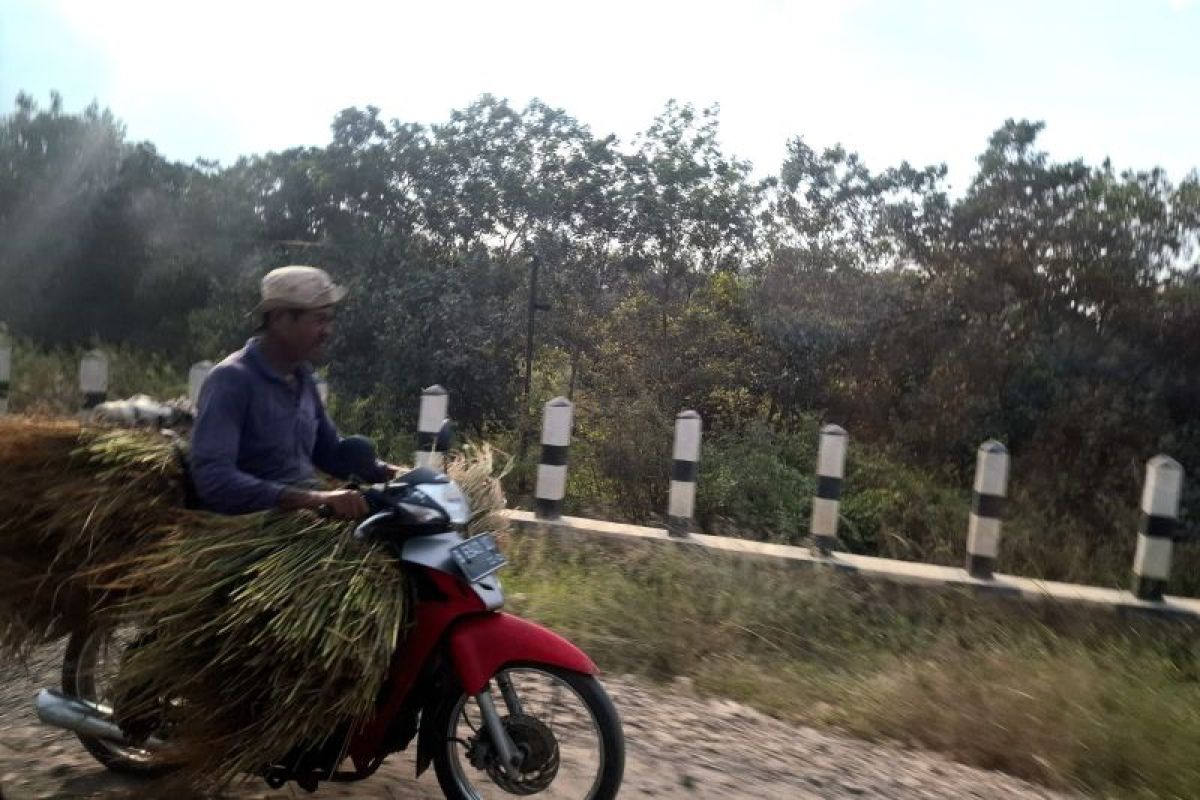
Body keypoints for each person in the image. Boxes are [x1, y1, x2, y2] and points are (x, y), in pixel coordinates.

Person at [190, 265, 396, 518]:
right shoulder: (230, 381)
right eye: (319, 320)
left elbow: (329, 452)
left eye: (330, 320)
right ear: (279, 319)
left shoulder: (304, 379)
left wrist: (384, 471)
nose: (327, 332)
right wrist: (311, 499)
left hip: (302, 516)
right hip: (255, 531)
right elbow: (214, 480)